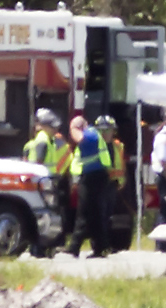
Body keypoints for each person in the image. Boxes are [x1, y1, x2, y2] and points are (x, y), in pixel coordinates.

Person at [23, 107, 77, 245]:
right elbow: (39, 163)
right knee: (43, 215)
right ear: (43, 126)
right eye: (52, 127)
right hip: (43, 182)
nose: (55, 130)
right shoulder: (43, 140)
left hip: (46, 182)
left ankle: (43, 245)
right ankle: (39, 246)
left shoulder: (47, 139)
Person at [71, 112, 115, 257]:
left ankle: (74, 248)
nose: (106, 133)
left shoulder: (90, 134)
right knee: (96, 213)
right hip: (95, 177)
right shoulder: (96, 137)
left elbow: (79, 137)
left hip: (93, 178)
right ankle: (101, 248)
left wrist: (73, 127)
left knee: (84, 213)